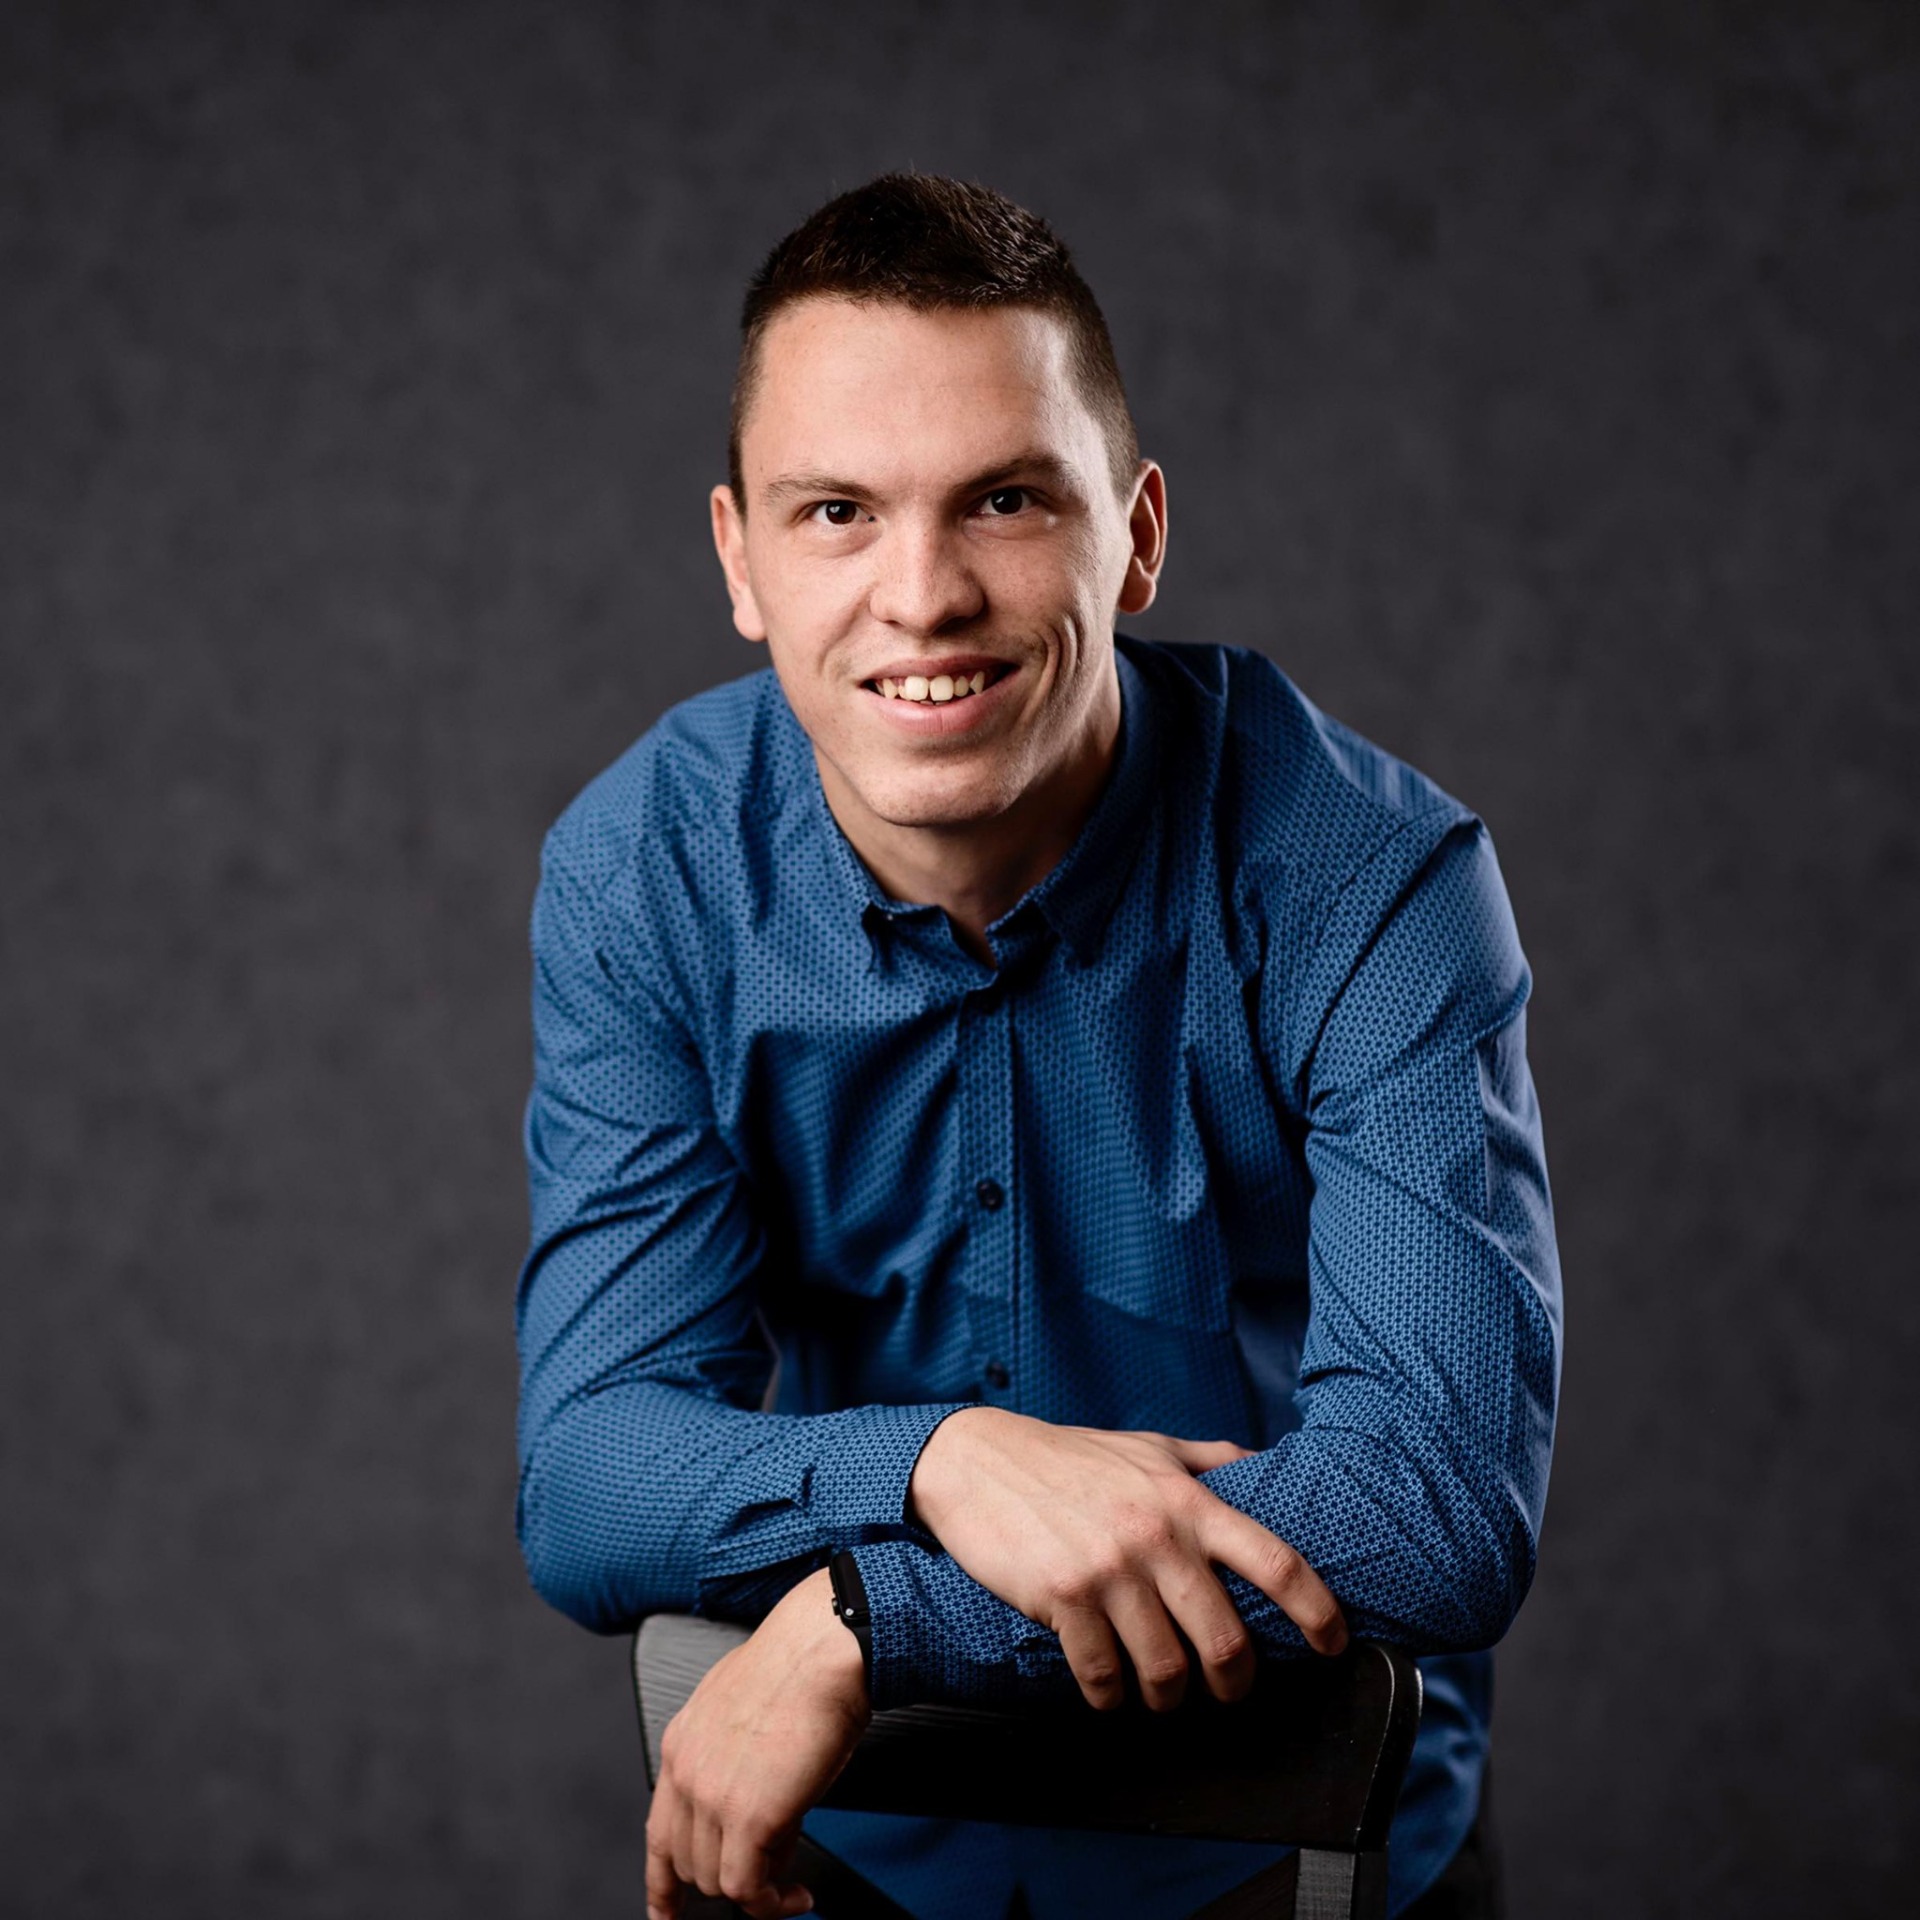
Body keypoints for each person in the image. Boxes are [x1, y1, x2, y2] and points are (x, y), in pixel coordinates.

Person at [515, 173, 1561, 1920]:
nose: (922, 595)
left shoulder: (1372, 878)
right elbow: (589, 1474)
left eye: (1003, 500)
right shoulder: (646, 875)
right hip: (860, 1851)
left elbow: (1433, 1507)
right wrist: (943, 1459)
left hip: (1297, 1845)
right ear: (741, 560)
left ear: (1133, 535)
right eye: (837, 512)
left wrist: (876, 1614)